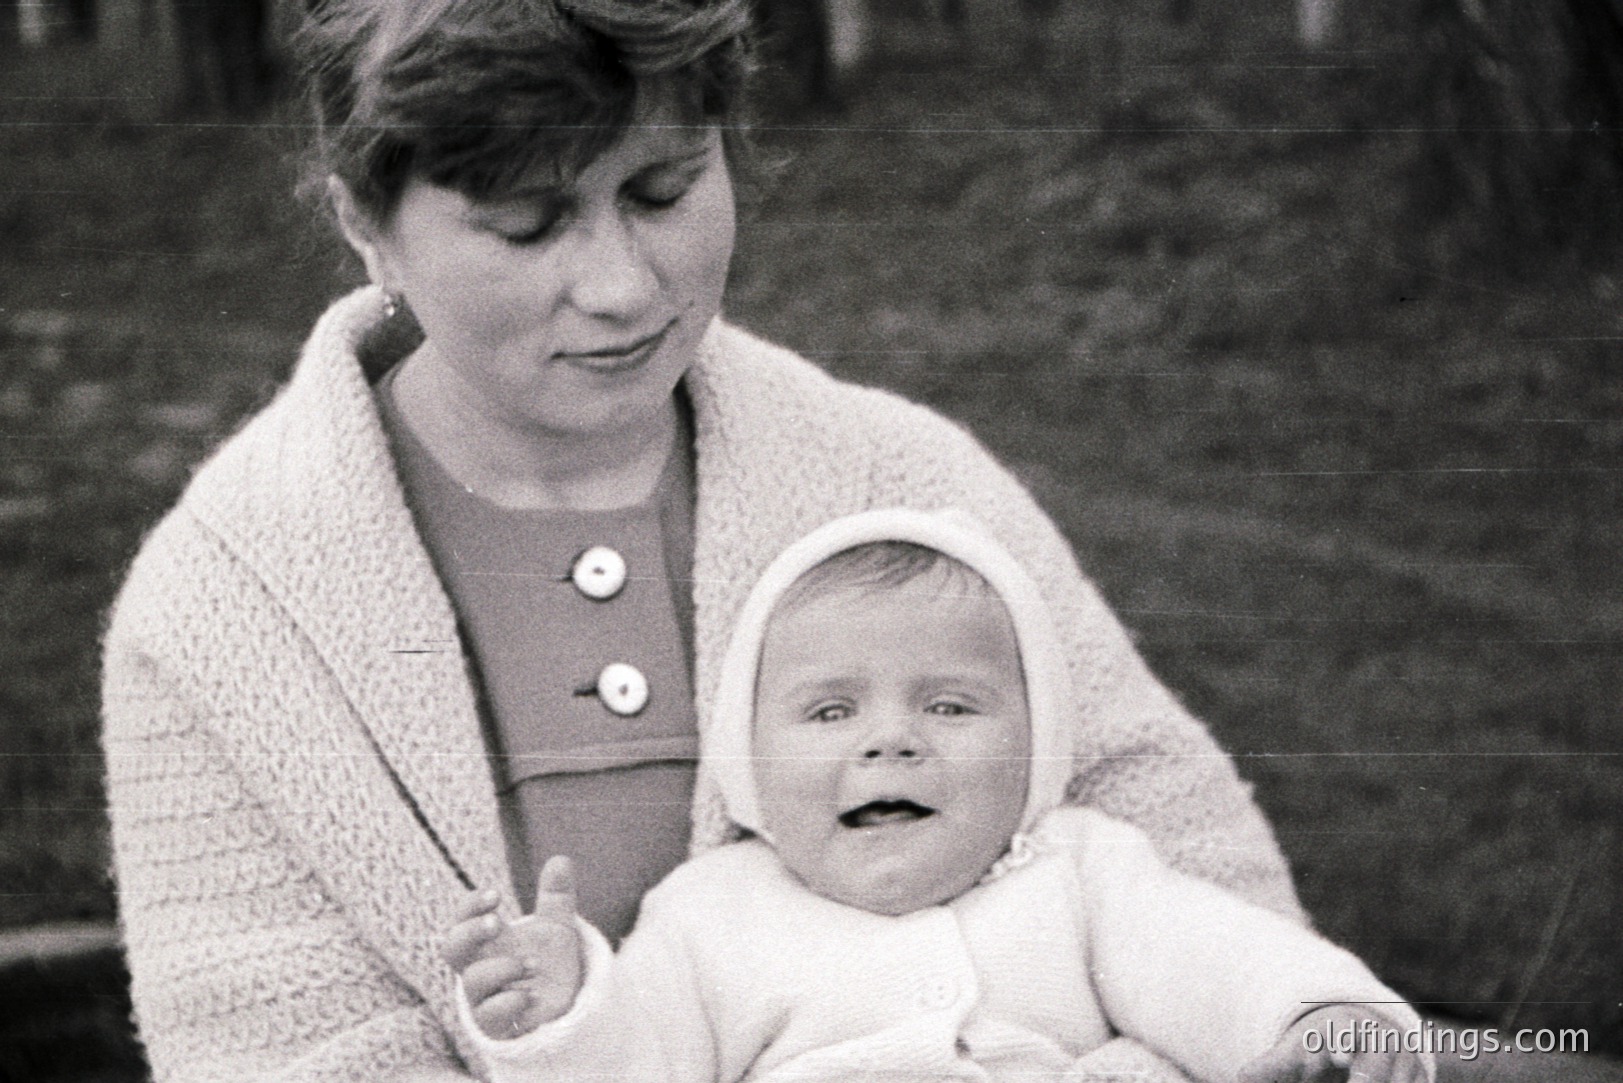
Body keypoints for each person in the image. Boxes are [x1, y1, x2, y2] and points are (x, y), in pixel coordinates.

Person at [102, 1, 1305, 1080]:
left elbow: (1207, 894)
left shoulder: (904, 485)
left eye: (664, 189)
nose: (624, 286)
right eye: (529, 223)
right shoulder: (226, 611)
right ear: (368, 219)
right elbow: (289, 1055)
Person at [441, 509, 1433, 1083]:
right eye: (828, 712)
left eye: (951, 706)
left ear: (1035, 746)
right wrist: (565, 1010)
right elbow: (636, 1071)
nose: (890, 739)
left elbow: (1217, 961)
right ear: (747, 763)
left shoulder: (1080, 873)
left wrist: (1321, 1022)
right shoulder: (710, 915)